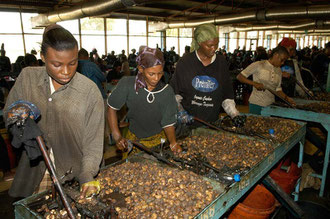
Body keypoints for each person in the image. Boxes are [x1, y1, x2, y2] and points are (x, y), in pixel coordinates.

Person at [4, 24, 104, 198]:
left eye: (72, 63)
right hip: (38, 169)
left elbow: (93, 142)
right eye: (57, 64)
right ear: (43, 57)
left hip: (76, 171)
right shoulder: (28, 78)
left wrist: (87, 175)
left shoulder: (88, 91)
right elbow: (9, 113)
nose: (65, 71)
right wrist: (17, 119)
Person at [107, 46, 182, 157]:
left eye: (160, 73)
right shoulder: (127, 85)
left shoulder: (166, 92)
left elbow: (168, 123)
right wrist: (117, 136)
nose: (156, 78)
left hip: (157, 142)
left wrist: (173, 143)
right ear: (141, 69)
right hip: (133, 141)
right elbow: (112, 108)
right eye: (151, 74)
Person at [170, 23, 245, 127]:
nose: (214, 49)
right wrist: (180, 112)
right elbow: (175, 95)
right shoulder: (185, 62)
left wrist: (234, 114)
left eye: (216, 44)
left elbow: (227, 96)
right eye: (209, 45)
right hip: (188, 124)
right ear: (200, 43)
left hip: (212, 123)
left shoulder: (221, 63)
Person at [236, 46, 296, 115]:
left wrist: (287, 98)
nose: (282, 63)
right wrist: (254, 84)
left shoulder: (279, 70)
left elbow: (278, 90)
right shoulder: (259, 64)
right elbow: (240, 77)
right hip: (256, 104)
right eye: (282, 60)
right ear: (276, 55)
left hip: (270, 106)